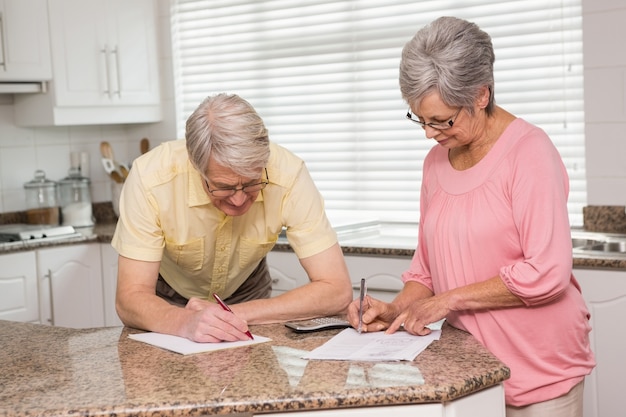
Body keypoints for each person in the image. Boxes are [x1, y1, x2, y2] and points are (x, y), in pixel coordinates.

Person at [346, 17, 595, 417]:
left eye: (442, 120)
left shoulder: (530, 152)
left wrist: (450, 300)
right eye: (419, 119)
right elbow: (427, 270)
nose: (429, 133)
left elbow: (547, 271)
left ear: (481, 95)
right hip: (471, 368)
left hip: (540, 366)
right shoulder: (435, 161)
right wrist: (396, 309)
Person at [112, 93, 353, 344]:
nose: (238, 200)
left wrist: (229, 315)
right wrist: (184, 322)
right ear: (197, 166)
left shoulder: (288, 174)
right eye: (223, 187)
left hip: (249, 293)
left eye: (251, 184)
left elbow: (336, 290)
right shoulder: (150, 177)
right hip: (170, 301)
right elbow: (130, 299)